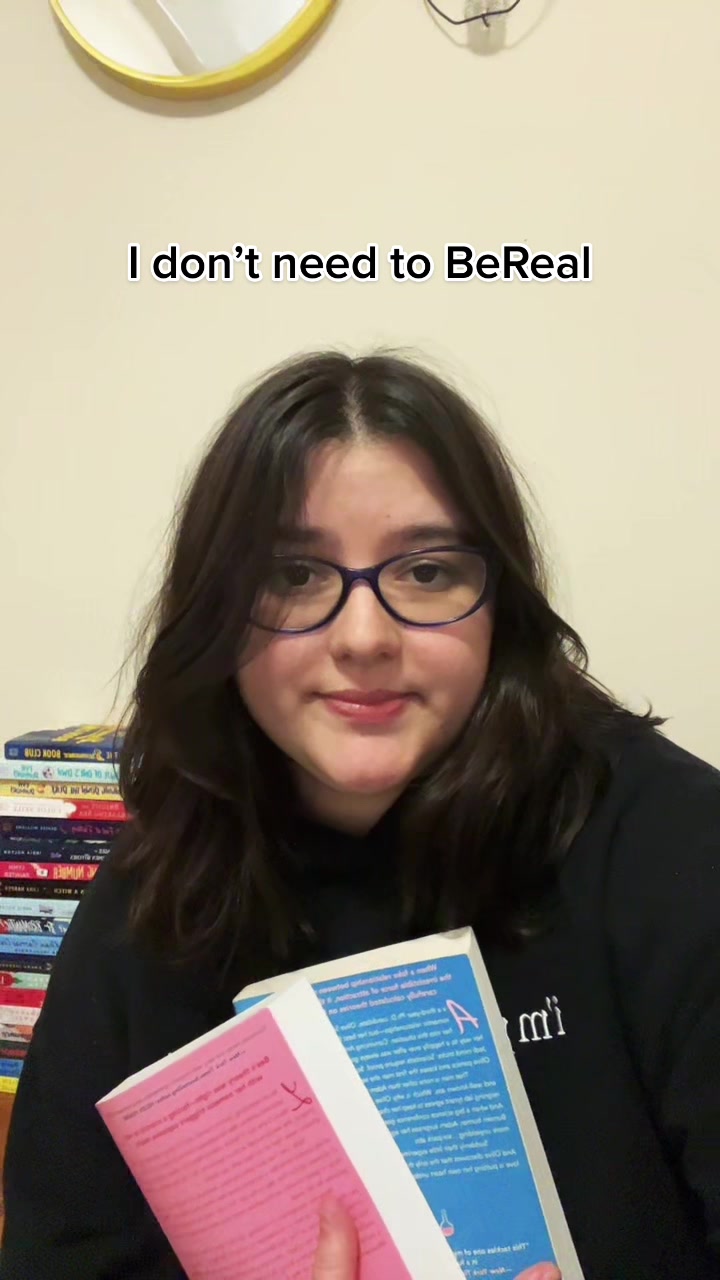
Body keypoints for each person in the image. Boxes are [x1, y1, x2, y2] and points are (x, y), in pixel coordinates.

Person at [0, 350, 718, 1279]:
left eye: (427, 571)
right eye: (294, 574)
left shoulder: (673, 845)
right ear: (217, 613)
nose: (365, 637)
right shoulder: (164, 876)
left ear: (500, 605)